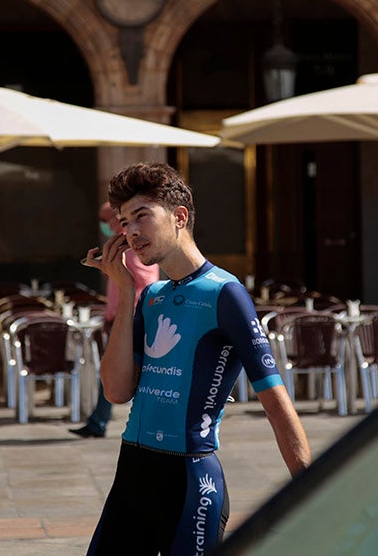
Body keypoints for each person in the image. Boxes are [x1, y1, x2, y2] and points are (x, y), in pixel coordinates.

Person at [82, 162, 311, 555]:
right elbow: (117, 391)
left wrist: (316, 493)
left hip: (190, 484)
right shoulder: (151, 298)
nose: (130, 231)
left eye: (141, 216)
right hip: (132, 475)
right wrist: (127, 289)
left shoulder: (225, 293)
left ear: (179, 216)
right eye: (123, 221)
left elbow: (276, 402)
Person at [70, 202, 159, 439]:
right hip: (120, 317)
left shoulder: (129, 244)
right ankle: (99, 421)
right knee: (112, 373)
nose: (104, 224)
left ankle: (101, 422)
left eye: (106, 219)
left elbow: (143, 280)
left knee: (121, 373)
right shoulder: (119, 245)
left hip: (131, 318)